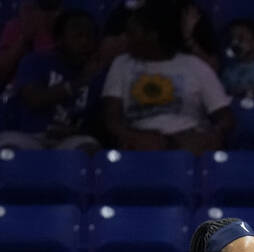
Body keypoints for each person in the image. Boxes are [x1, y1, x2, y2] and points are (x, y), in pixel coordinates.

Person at [100, 1, 234, 154]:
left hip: (189, 141)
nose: (125, 39)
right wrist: (132, 136)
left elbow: (225, 116)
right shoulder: (121, 64)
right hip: (140, 142)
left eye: (131, 33)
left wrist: (213, 135)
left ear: (152, 36)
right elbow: (111, 118)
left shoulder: (194, 65)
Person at [0, 8, 103, 151]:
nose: (85, 42)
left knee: (89, 150)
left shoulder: (98, 73)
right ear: (60, 39)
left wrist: (77, 132)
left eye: (89, 36)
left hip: (68, 140)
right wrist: (80, 82)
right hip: (29, 136)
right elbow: (34, 99)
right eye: (78, 36)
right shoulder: (35, 61)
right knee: (8, 150)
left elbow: (99, 121)